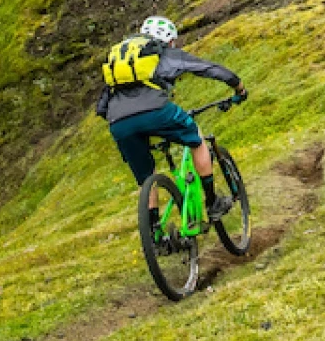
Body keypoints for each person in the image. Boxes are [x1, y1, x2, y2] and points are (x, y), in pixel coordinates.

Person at [98, 16, 247, 219]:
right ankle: (213, 202)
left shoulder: (124, 63)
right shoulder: (165, 54)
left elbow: (102, 108)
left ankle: (154, 233)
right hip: (157, 112)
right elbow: (209, 69)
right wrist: (239, 88)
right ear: (169, 40)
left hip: (119, 122)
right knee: (196, 139)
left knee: (146, 177)